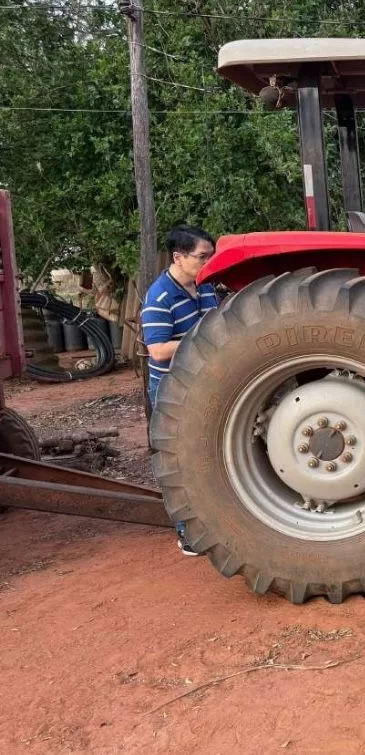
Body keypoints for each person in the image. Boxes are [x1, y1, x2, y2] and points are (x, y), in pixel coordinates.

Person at [141, 224, 220, 556]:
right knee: (180, 460)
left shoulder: (205, 287)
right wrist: (199, 338)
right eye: (203, 257)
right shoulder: (159, 297)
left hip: (201, 381)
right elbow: (156, 350)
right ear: (179, 257)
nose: (208, 262)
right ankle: (187, 533)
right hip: (171, 387)